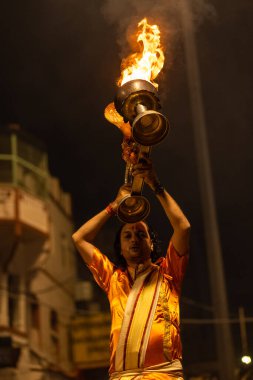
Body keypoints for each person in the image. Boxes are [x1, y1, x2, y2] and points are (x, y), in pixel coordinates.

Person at [72, 154, 191, 380]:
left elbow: (183, 227)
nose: (134, 239)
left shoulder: (167, 273)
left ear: (151, 243)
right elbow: (79, 238)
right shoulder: (113, 278)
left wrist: (155, 185)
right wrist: (113, 207)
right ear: (120, 247)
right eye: (127, 235)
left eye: (140, 234)